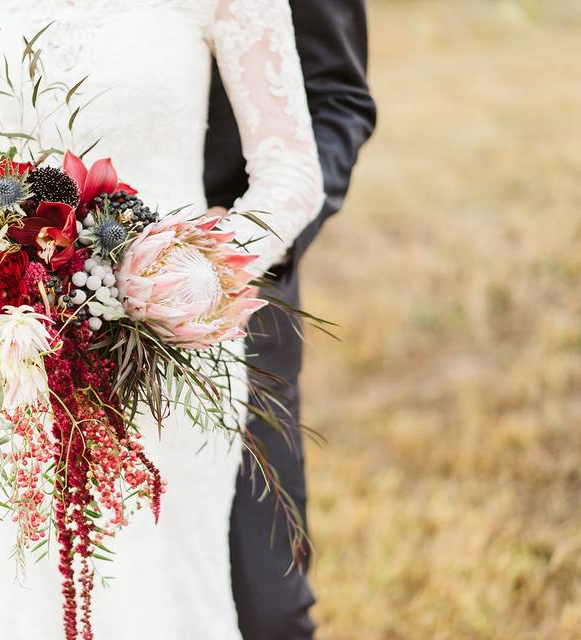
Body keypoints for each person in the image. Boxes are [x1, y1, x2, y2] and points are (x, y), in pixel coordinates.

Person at [0, 1, 328, 637]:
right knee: (11, 595)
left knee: (170, 595)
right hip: (10, 357)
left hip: (171, 357)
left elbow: (292, 172)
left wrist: (193, 274)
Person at [205, 1, 377, 637]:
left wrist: (253, 242)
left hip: (240, 294)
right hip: (62, 304)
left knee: (263, 600)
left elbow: (339, 99)